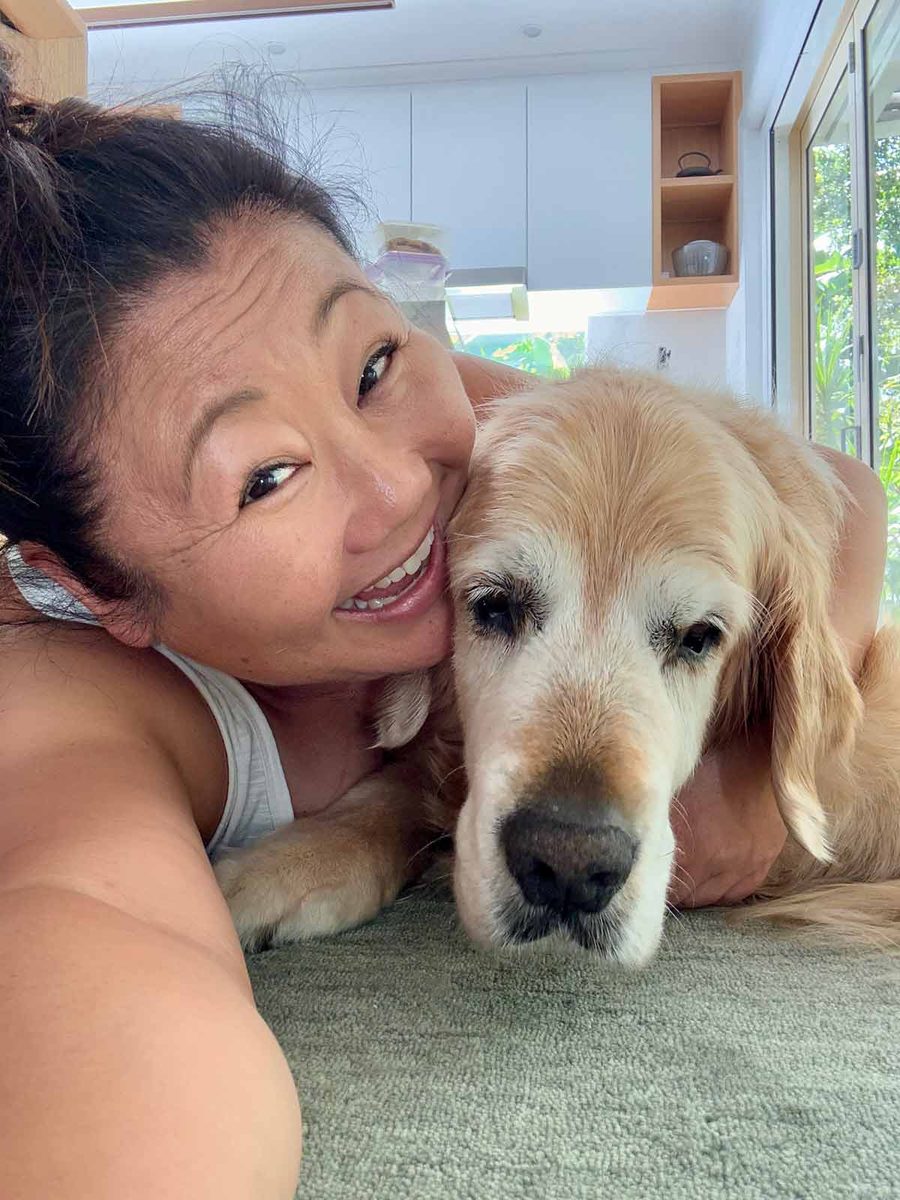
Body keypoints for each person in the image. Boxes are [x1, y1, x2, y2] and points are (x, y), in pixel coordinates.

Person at [0, 58, 887, 1199]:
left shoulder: (453, 424)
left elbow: (841, 486)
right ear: (95, 586)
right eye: (264, 477)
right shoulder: (68, 712)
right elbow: (114, 1030)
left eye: (374, 363)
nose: (404, 489)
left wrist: (773, 778)